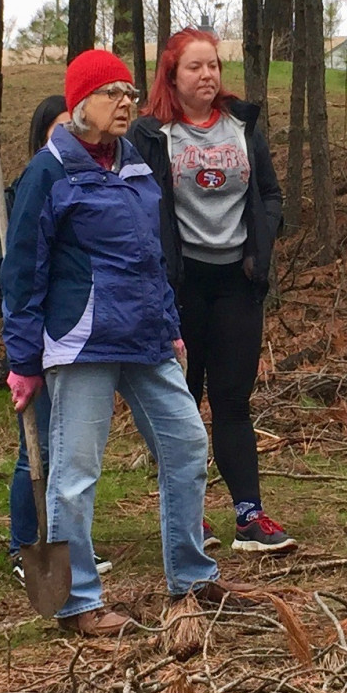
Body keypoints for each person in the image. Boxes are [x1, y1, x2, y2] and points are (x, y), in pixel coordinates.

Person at [2, 49, 222, 636]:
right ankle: (77, 603)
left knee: (187, 446)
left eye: (130, 93)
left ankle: (193, 579)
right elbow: (23, 274)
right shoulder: (47, 173)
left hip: (146, 336)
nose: (125, 104)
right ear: (79, 105)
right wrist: (23, 360)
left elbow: (152, 259)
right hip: (83, 344)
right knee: (74, 473)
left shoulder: (137, 164)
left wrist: (171, 323)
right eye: (111, 94)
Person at [131, 29, 295, 553]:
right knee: (180, 403)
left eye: (214, 66)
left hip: (237, 284)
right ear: (172, 76)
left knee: (232, 400)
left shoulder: (241, 127)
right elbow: (136, 206)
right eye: (195, 67)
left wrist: (261, 244)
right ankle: (187, 516)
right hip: (179, 287)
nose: (208, 76)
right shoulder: (152, 134)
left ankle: (249, 514)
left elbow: (270, 193)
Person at [0, 97, 115, 582]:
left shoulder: (93, 188)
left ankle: (71, 544)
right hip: (35, 339)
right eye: (60, 128)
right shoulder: (22, 193)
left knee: (73, 451)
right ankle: (24, 546)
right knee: (34, 448)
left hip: (80, 338)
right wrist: (24, 307)